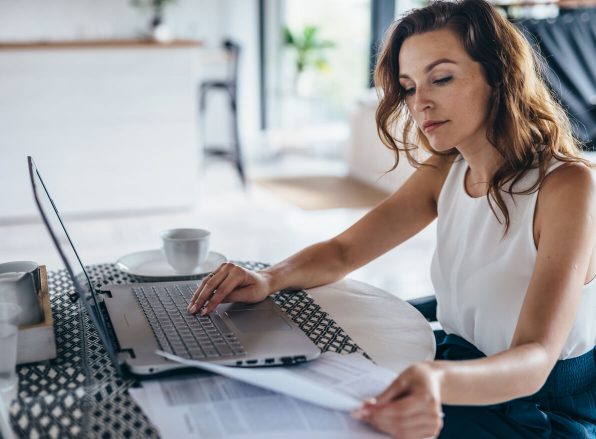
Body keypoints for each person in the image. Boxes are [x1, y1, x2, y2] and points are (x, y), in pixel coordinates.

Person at [187, 0, 596, 437]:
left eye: (441, 78)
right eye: (408, 86)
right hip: (456, 366)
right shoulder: (446, 167)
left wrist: (436, 381)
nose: (420, 103)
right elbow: (344, 251)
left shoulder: (569, 187)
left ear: (498, 76)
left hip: (537, 408)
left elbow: (535, 359)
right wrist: (267, 278)